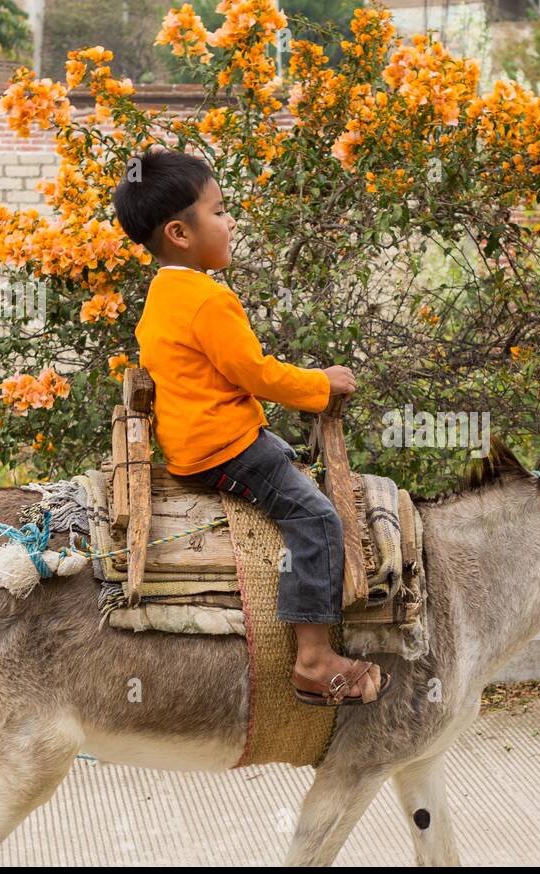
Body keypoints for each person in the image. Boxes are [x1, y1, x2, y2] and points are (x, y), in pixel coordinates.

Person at [111, 148, 390, 706]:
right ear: (180, 233)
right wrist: (321, 385)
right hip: (223, 448)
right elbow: (256, 374)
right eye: (219, 211)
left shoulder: (164, 293)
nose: (231, 220)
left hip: (199, 438)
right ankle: (313, 660)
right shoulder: (208, 300)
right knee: (316, 517)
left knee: (288, 462)